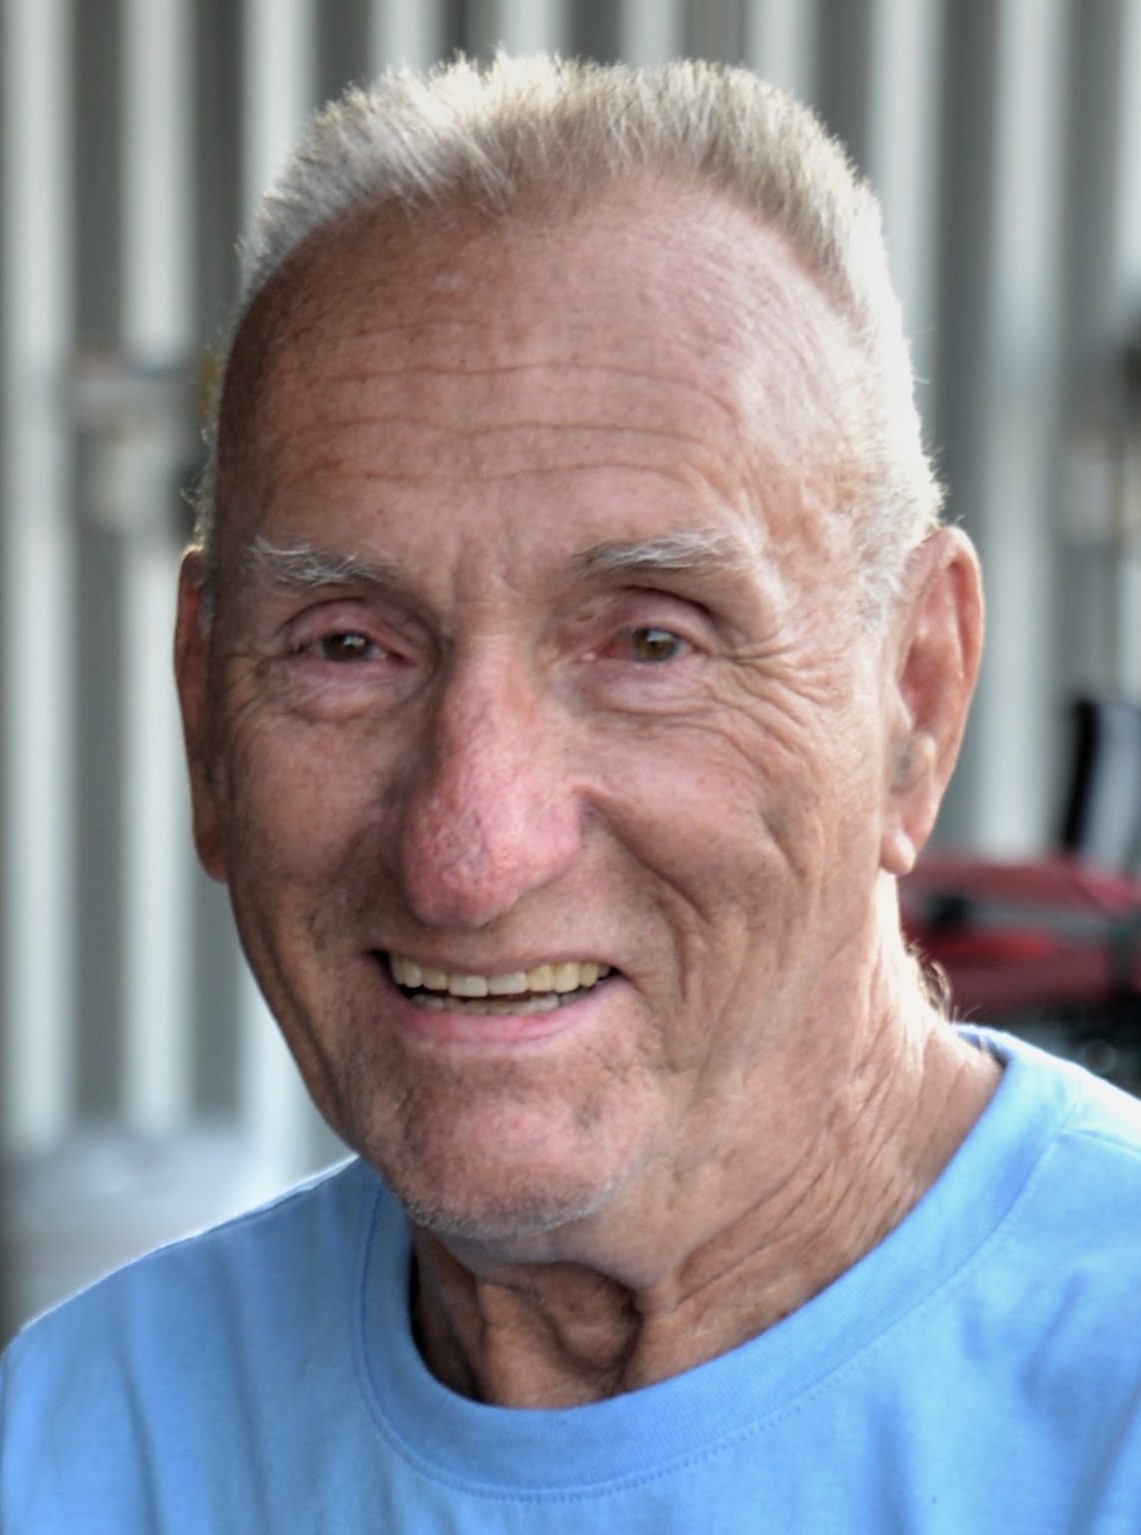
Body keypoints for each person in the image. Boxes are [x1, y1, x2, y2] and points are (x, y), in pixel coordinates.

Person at [3, 54, 1140, 1532]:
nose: (471, 853)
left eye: (652, 643)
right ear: (203, 713)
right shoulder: (84, 1443)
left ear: (913, 699)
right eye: (346, 646)